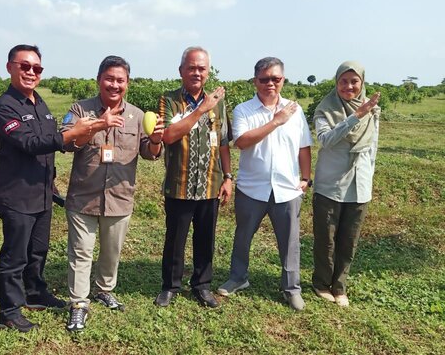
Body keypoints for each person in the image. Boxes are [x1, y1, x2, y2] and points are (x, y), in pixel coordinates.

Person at [0, 44, 107, 332]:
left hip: (43, 192)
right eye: (25, 66)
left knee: (38, 249)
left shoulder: (39, 103)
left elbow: (56, 142)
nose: (31, 72)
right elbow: (29, 143)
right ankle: (9, 310)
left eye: (37, 68)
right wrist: (71, 134)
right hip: (17, 194)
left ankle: (34, 291)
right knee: (14, 256)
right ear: (10, 68)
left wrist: (79, 135)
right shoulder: (4, 106)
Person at [61, 56, 163, 331]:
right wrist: (98, 124)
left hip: (120, 195)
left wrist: (155, 141)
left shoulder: (139, 116)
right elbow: (68, 142)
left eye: (120, 80)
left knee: (111, 251)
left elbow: (149, 154)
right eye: (109, 78)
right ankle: (79, 303)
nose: (114, 85)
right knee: (81, 252)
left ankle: (104, 289)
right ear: (98, 80)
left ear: (127, 84)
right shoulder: (80, 110)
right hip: (84, 195)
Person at [217, 57, 312, 311]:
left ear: (283, 80)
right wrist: (276, 121)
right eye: (264, 79)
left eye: (276, 79)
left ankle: (291, 288)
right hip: (252, 187)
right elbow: (242, 142)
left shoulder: (296, 110)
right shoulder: (243, 110)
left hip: (287, 188)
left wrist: (306, 177)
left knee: (290, 241)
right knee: (243, 236)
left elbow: (304, 146)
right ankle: (238, 278)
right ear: (255, 81)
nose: (270, 83)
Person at [154, 46, 233, 308]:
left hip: (210, 184)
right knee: (175, 239)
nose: (196, 73)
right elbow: (168, 136)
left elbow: (222, 143)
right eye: (191, 67)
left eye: (201, 68)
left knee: (205, 239)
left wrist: (228, 177)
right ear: (181, 71)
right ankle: (170, 286)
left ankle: (202, 285)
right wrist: (200, 110)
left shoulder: (218, 104)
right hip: (180, 184)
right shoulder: (169, 100)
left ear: (208, 72)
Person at [311, 61, 381, 307]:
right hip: (330, 185)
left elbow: (372, 148)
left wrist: (368, 177)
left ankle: (340, 287)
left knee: (349, 240)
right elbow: (326, 140)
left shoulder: (373, 111)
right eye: (343, 81)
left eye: (354, 81)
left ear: (361, 83)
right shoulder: (325, 109)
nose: (348, 86)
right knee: (326, 239)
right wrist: (355, 116)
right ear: (336, 82)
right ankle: (321, 283)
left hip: (359, 186)